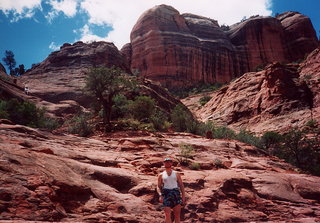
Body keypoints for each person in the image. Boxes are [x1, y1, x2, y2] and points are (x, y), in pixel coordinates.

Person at [158, 157, 185, 223]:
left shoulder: (176, 173)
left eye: (169, 162)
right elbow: (158, 186)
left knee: (177, 215)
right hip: (166, 193)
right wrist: (160, 195)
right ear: (163, 163)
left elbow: (181, 185)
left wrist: (183, 196)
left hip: (175, 193)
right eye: (166, 162)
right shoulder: (161, 175)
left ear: (171, 163)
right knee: (167, 214)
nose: (167, 163)